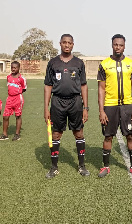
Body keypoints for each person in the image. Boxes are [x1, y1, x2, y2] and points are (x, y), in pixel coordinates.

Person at [44, 34, 90, 179]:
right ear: (60, 44)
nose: (67, 45)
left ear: (73, 45)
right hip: (57, 102)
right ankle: (54, 167)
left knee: (79, 133)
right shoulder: (53, 63)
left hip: (75, 102)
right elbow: (48, 86)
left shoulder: (79, 63)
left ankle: (82, 166)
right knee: (56, 134)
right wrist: (46, 107)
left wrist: (85, 107)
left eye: (69, 43)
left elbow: (83, 86)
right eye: (64, 42)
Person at [97, 34, 132, 178]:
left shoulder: (131, 63)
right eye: (116, 44)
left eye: (121, 45)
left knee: (130, 136)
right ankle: (105, 166)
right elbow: (101, 89)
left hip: (127, 106)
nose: (118, 47)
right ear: (112, 45)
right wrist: (101, 110)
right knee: (108, 137)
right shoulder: (104, 64)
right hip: (109, 106)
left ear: (124, 46)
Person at [0, 61, 27, 141]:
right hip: (9, 98)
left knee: (18, 116)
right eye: (12, 67)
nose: (13, 69)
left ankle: (17, 134)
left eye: (15, 68)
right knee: (5, 116)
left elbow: (24, 88)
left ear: (19, 68)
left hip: (18, 98)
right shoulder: (8, 77)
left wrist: (17, 93)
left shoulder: (21, 79)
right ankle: (5, 134)